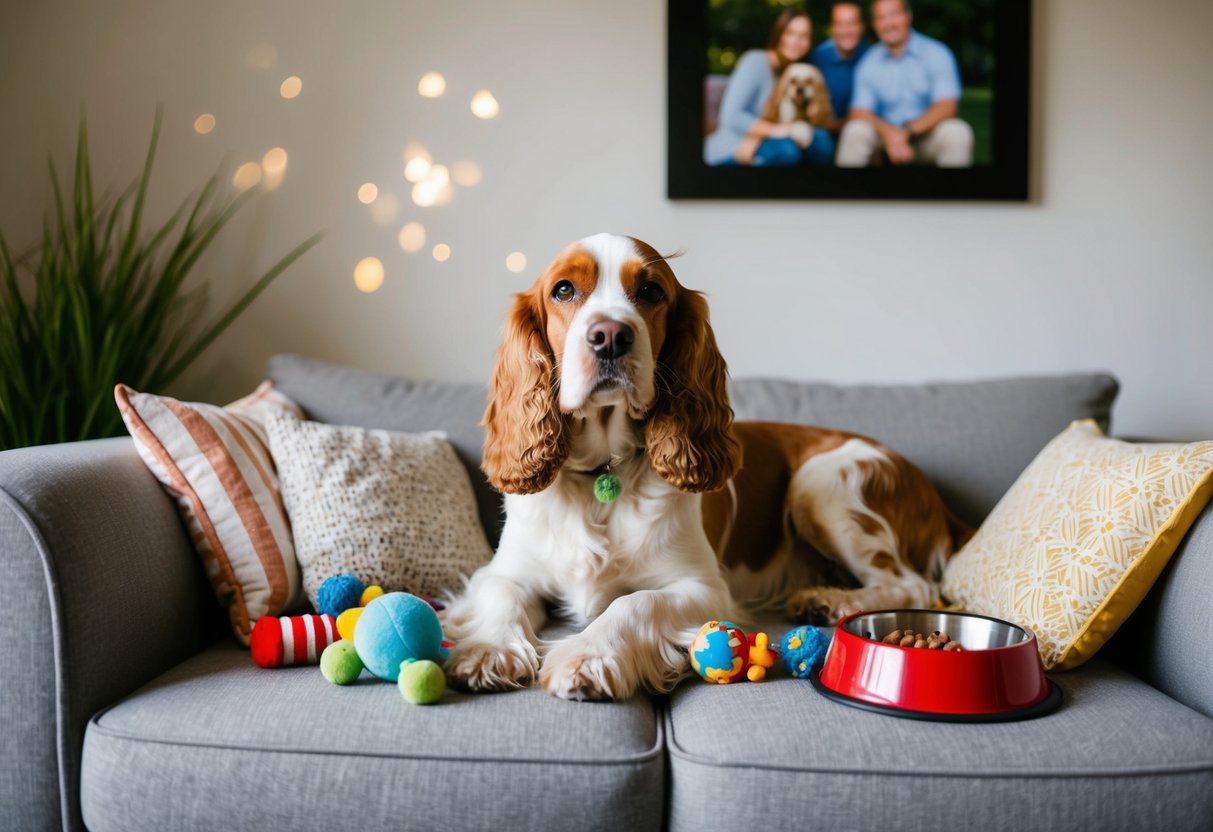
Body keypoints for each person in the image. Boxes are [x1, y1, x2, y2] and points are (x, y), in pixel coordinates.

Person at [835, 0, 973, 167]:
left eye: (894, 14)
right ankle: (843, 191)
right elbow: (859, 111)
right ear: (875, 24)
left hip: (926, 136)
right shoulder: (868, 62)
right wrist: (890, 134)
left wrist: (906, 132)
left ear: (908, 16)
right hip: (883, 138)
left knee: (957, 132)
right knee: (855, 130)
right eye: (881, 17)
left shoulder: (937, 53)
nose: (888, 23)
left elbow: (947, 106)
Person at [704, 8, 835, 167]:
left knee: (821, 140)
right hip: (735, 148)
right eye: (790, 33)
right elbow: (731, 117)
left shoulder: (793, 73)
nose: (796, 41)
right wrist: (783, 130)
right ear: (779, 34)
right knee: (787, 151)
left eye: (803, 36)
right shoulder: (756, 61)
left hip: (769, 144)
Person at [808, 2, 870, 134]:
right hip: (824, 132)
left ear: (862, 26)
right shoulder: (817, 58)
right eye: (839, 24)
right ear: (832, 28)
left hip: (863, 131)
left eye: (851, 24)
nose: (845, 31)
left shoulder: (871, 57)